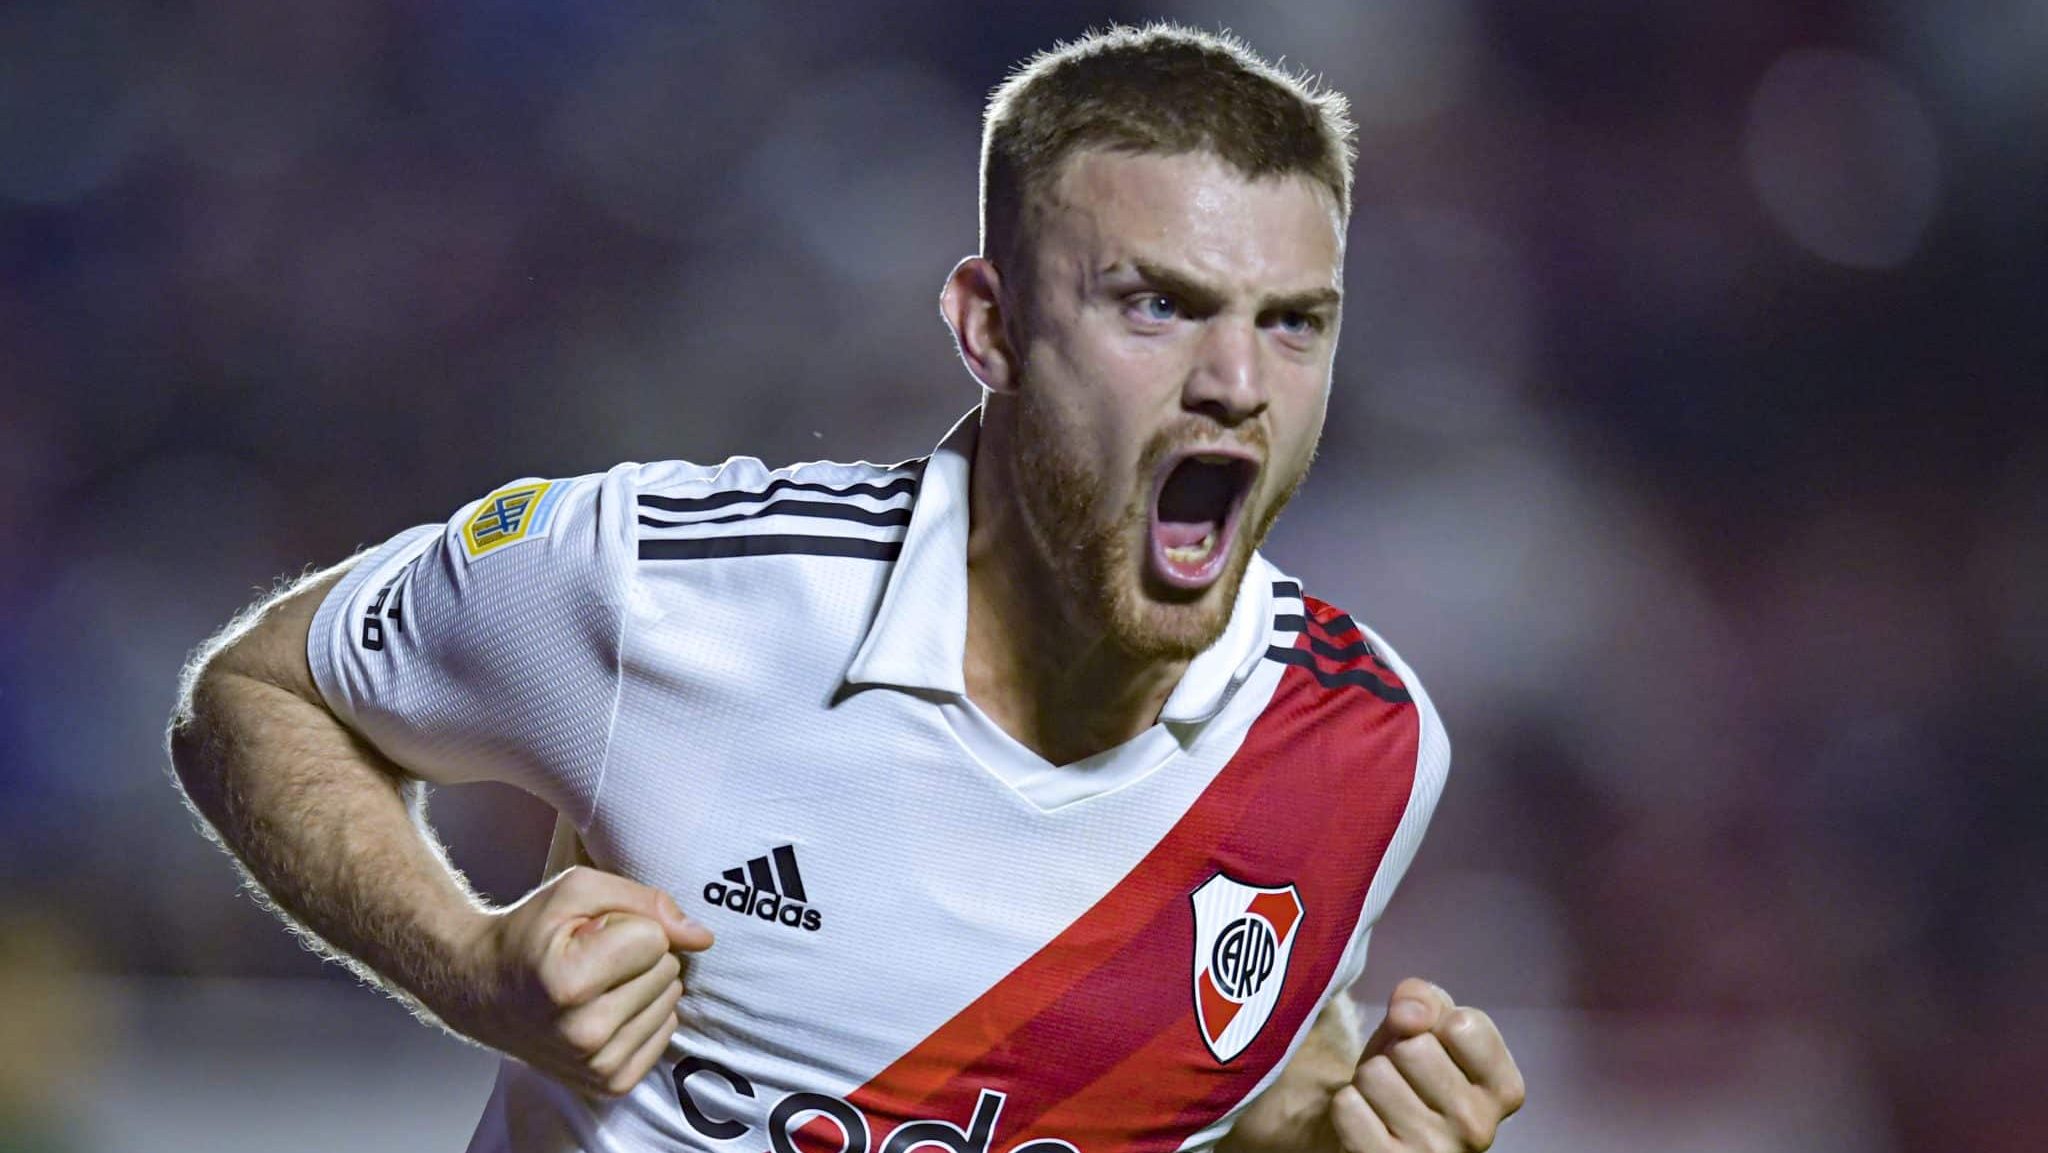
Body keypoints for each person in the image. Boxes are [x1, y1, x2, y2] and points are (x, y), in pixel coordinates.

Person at [170, 22, 1524, 1153]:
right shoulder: (667, 585)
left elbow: (1241, 1072)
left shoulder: (1367, 744)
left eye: (1294, 321)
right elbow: (255, 692)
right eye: (1153, 305)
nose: (1237, 382)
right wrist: (470, 967)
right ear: (990, 328)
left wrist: (1338, 1138)